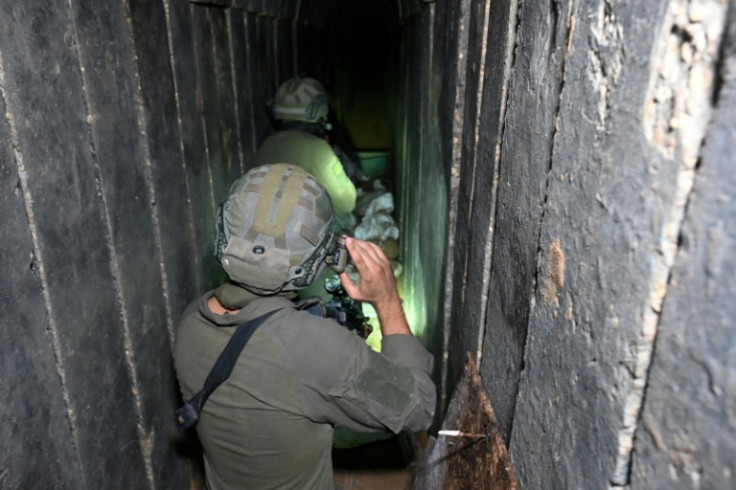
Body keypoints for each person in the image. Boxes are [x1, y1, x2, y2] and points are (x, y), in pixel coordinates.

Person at [174, 163, 436, 490]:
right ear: (315, 260)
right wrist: (387, 300)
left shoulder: (190, 323)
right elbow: (419, 408)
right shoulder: (316, 347)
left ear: (222, 233)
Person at [255, 76, 359, 216]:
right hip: (302, 233)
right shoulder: (317, 150)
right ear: (319, 109)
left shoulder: (266, 145)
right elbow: (347, 203)